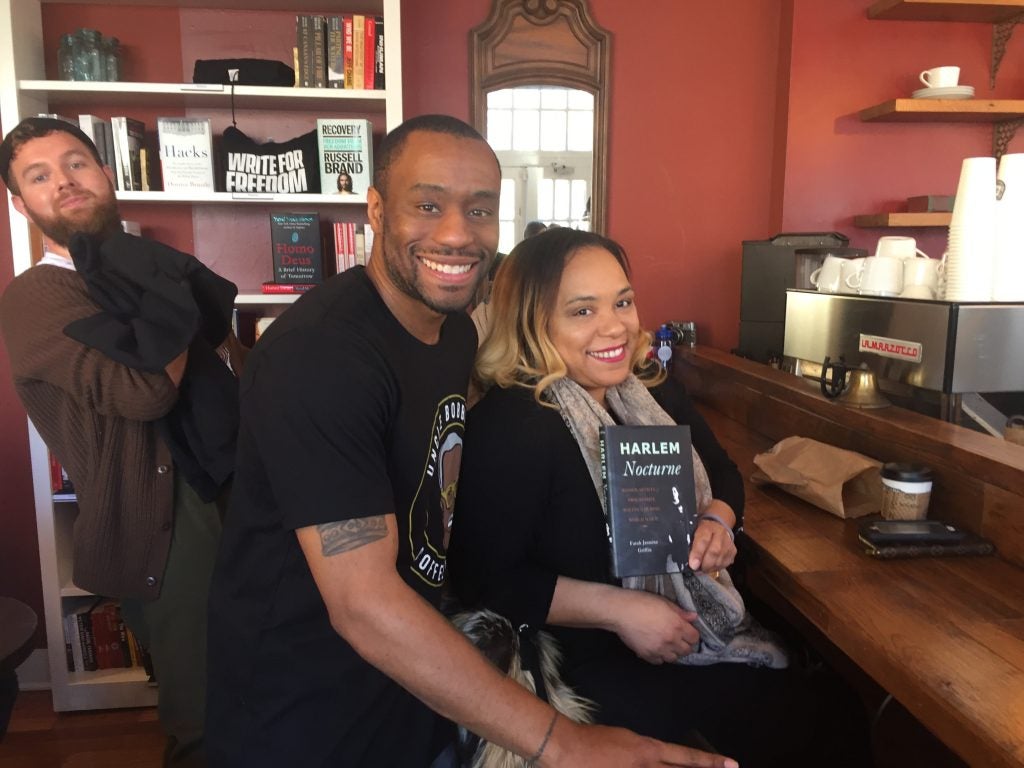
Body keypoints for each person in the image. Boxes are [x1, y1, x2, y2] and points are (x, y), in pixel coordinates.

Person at [205, 114, 736, 768]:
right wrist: (563, 741)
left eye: (479, 210)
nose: (456, 233)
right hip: (305, 706)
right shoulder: (320, 358)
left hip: (416, 684)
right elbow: (364, 606)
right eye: (427, 205)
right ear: (375, 209)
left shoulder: (450, 331)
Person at [450, 227, 874, 767]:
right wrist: (621, 611)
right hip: (579, 655)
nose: (615, 326)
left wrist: (718, 522)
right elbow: (485, 579)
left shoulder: (648, 387)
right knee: (816, 716)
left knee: (831, 705)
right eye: (582, 311)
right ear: (532, 325)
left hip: (683, 624)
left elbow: (723, 471)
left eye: (622, 301)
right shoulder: (516, 423)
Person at [0, 117, 246, 767]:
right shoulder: (37, 298)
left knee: (264, 684)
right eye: (40, 175)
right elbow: (144, 394)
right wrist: (166, 296)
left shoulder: (145, 271)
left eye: (76, 163)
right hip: (163, 531)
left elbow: (226, 362)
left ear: (108, 175)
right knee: (207, 722)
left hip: (234, 497)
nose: (65, 181)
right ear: (21, 205)